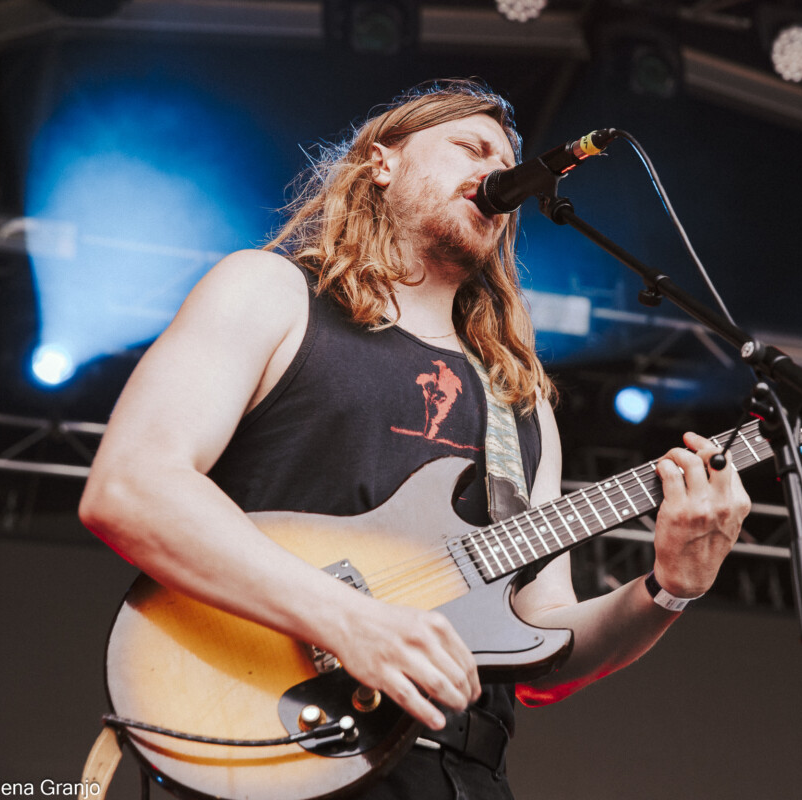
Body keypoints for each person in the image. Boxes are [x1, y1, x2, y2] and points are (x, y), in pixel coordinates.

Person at [80, 79, 752, 799]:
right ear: (382, 162)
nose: (497, 172)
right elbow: (131, 489)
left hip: (461, 777)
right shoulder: (271, 292)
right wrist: (349, 620)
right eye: (470, 147)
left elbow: (543, 651)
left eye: (507, 163)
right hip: (276, 742)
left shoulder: (521, 402)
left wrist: (669, 589)